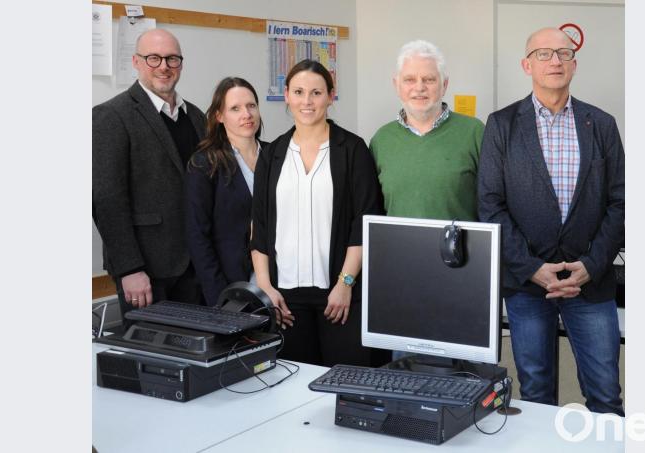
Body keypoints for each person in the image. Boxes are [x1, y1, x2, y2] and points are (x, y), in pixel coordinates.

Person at [477, 27, 625, 415]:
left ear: (574, 63)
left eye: (563, 53)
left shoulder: (602, 124)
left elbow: (620, 202)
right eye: (543, 54)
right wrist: (532, 268)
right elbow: (490, 206)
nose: (555, 61)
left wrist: (591, 267)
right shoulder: (501, 125)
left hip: (590, 287)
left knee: (606, 395)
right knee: (537, 395)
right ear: (527, 65)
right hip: (528, 288)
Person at [250, 60, 384, 367]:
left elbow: (363, 222)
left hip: (339, 293)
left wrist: (345, 283)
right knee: (293, 384)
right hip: (285, 297)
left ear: (330, 96)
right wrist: (265, 287)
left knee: (347, 380)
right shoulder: (272, 155)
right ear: (286, 95)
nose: (306, 101)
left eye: (316, 92)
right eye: (298, 92)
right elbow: (260, 226)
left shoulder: (352, 149)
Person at [93, 29, 205, 322]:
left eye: (172, 59)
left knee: (198, 357)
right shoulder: (112, 116)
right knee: (153, 362)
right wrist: (129, 268)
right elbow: (106, 199)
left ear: (181, 63)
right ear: (136, 61)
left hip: (196, 266)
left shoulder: (195, 116)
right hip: (146, 271)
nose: (163, 66)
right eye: (153, 58)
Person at [369, 40, 484, 222]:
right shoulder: (381, 140)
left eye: (429, 79)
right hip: (398, 249)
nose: (419, 87)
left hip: (459, 250)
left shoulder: (475, 132)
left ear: (444, 85)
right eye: (409, 80)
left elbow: (493, 203)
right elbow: (373, 209)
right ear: (396, 85)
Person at [185, 77, 267, 306]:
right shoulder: (204, 164)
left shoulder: (276, 156)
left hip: (277, 282)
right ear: (219, 116)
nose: (246, 114)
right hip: (228, 286)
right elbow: (197, 236)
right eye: (235, 108)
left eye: (251, 106)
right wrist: (219, 297)